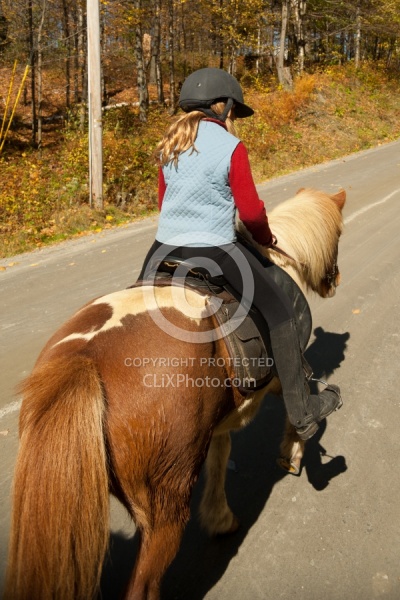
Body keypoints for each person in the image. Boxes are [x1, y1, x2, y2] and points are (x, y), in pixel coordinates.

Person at [138, 67, 342, 440]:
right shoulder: (231, 147)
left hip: (162, 248)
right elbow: (249, 212)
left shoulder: (171, 144)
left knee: (136, 308)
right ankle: (302, 411)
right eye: (233, 111)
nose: (233, 118)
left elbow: (164, 202)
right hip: (215, 248)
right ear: (223, 106)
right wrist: (264, 238)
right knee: (280, 312)